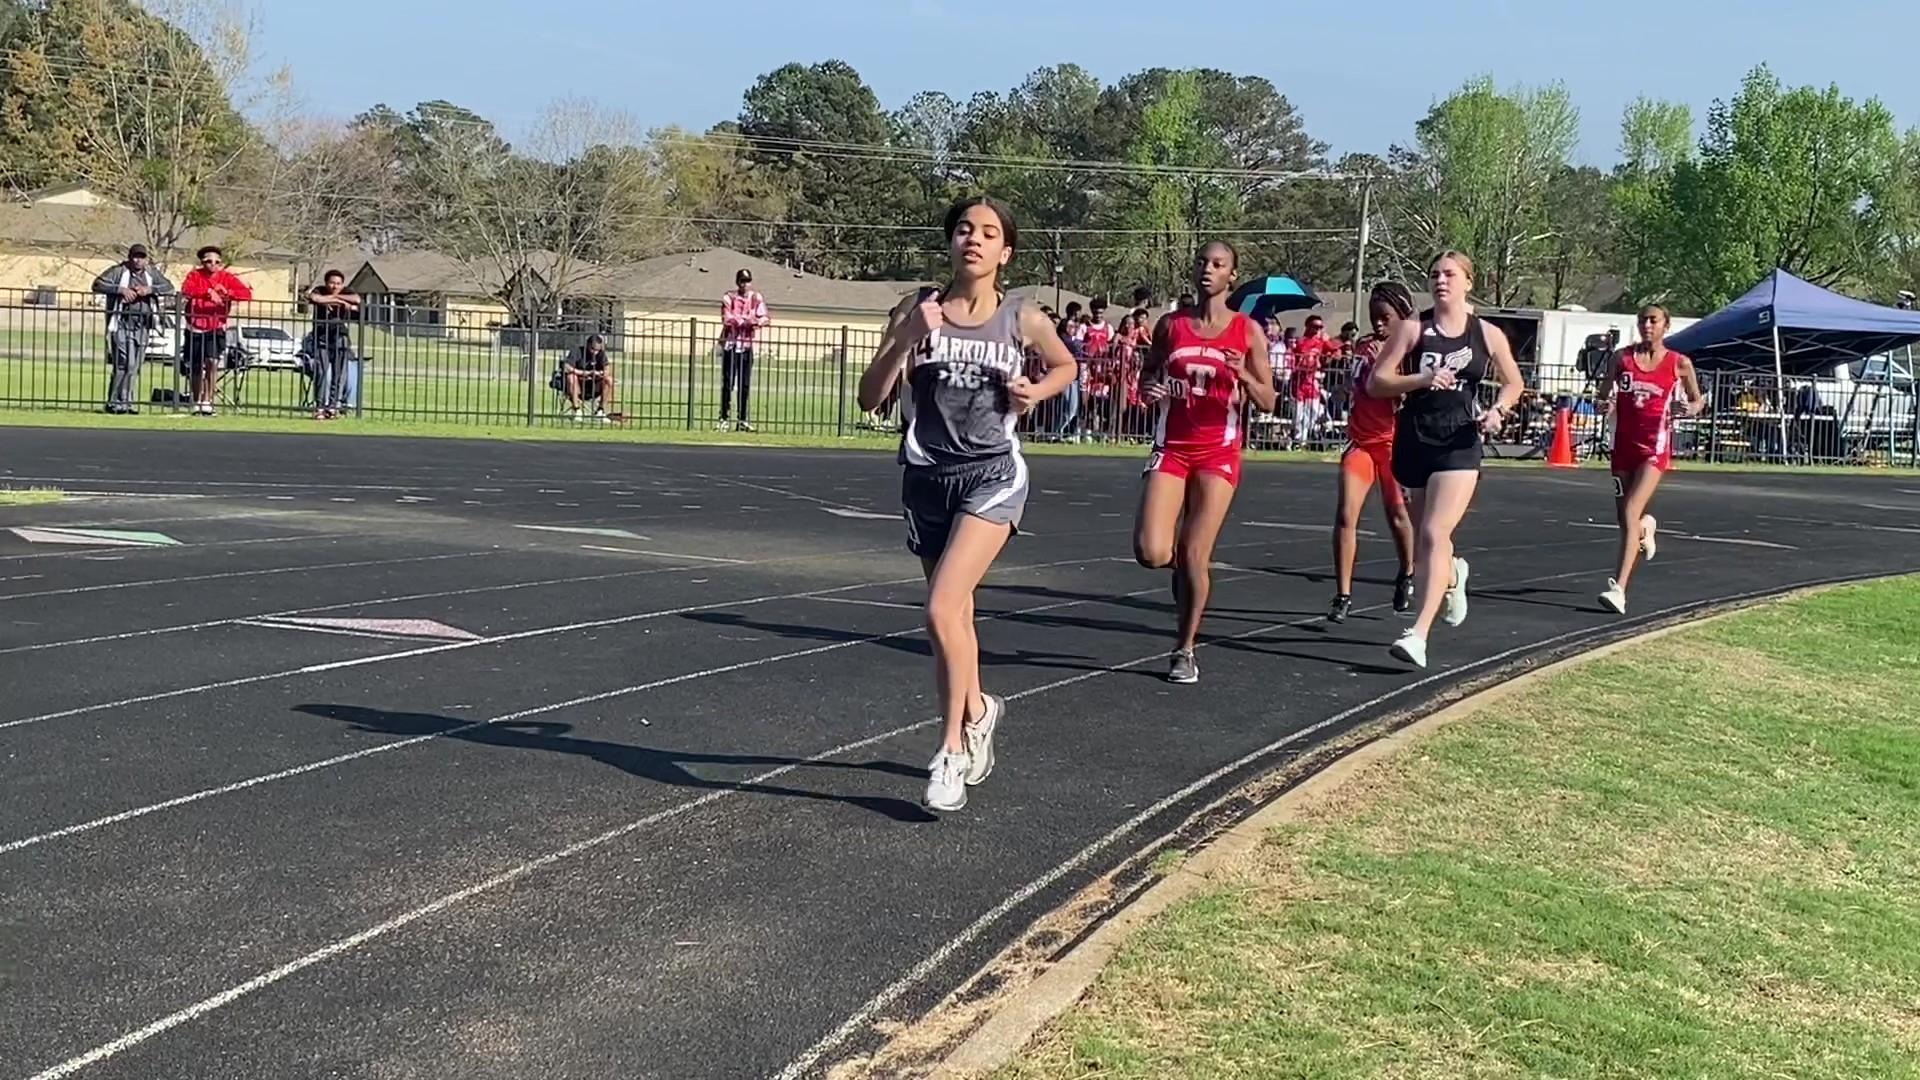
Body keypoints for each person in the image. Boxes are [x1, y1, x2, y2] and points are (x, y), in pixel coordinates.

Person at [856, 195, 1076, 813]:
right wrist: (905, 339)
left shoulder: (1021, 317)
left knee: (939, 609)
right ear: (950, 242)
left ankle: (951, 748)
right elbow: (869, 397)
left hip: (992, 476)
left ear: (1006, 252)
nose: (973, 239)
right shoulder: (918, 310)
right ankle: (979, 711)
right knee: (956, 618)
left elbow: (1066, 365)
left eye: (987, 233)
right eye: (963, 229)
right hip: (928, 477)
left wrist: (1036, 390)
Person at [1365, 251, 1523, 669]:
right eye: (1435, 274)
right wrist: (1421, 378)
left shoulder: (1485, 333)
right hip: (1415, 437)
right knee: (1426, 544)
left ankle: (1418, 634)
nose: (1441, 281)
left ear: (1468, 282)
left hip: (1460, 440)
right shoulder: (1412, 328)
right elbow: (1377, 382)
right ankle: (1453, 574)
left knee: (1436, 532)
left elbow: (1514, 382)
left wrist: (1499, 410)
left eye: (1450, 274)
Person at [1134, 241, 1277, 684]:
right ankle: (1184, 572)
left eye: (1218, 264)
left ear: (1232, 275)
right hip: (1172, 446)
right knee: (1152, 551)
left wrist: (1244, 373)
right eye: (1202, 262)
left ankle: (1184, 648)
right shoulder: (1172, 325)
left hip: (1219, 450)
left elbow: (1269, 400)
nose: (1208, 270)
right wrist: (1149, 389)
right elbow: (1148, 373)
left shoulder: (1246, 331)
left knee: (1196, 553)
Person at [1600, 304, 1705, 614]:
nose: (1647, 325)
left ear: (1665, 326)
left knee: (1631, 509)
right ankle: (1646, 528)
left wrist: (1690, 409)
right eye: (1642, 320)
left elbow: (1697, 400)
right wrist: (1605, 403)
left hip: (1654, 450)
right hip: (1623, 448)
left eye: (1653, 320)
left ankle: (1619, 589)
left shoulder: (1679, 363)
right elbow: (1604, 393)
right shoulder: (1622, 359)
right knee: (1625, 519)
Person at [1328, 283, 1418, 623]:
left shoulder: (1409, 353)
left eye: (1385, 318)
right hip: (1361, 442)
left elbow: (1405, 394)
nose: (1378, 324)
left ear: (1401, 317)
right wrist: (1342, 389)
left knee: (1397, 516)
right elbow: (1356, 384)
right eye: (1374, 317)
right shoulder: (1363, 346)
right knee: (1345, 515)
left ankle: (1407, 571)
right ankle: (1343, 594)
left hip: (1393, 444)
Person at [92, 244, 174, 415]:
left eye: (142, 257)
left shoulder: (151, 273)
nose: (138, 260)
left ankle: (127, 402)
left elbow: (169, 287)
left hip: (143, 324)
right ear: (129, 257)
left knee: (134, 365)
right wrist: (120, 290)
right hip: (121, 322)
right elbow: (97, 284)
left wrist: (150, 290)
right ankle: (115, 402)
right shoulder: (118, 271)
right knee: (124, 362)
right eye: (135, 257)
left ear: (146, 259)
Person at [178, 246, 252, 416]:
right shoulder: (194, 275)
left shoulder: (227, 277)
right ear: (202, 262)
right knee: (196, 366)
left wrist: (228, 292)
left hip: (216, 326)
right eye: (208, 261)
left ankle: (208, 401)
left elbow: (246, 294)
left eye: (217, 262)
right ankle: (196, 400)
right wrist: (208, 292)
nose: (213, 264)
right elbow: (187, 290)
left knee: (212, 362)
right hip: (195, 326)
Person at [719, 269, 768, 432]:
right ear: (737, 282)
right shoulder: (729, 297)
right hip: (731, 345)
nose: (745, 284)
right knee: (728, 383)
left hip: (747, 346)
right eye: (742, 281)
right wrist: (746, 321)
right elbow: (727, 318)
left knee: (744, 384)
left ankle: (743, 419)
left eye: (747, 281)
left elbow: (764, 317)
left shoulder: (756, 298)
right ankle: (724, 418)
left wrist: (755, 321)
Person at [307, 269, 359, 420]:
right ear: (326, 283)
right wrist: (341, 302)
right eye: (331, 283)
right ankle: (320, 406)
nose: (335, 286)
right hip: (321, 337)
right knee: (321, 373)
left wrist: (335, 298)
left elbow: (357, 299)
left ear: (342, 284)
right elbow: (315, 298)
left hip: (340, 337)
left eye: (338, 283)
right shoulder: (320, 290)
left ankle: (333, 406)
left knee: (339, 375)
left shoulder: (347, 291)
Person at [563, 334, 617, 421]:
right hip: (578, 384)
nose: (595, 352)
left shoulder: (601, 354)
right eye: (592, 349)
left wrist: (599, 373)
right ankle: (577, 410)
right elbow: (567, 366)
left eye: (597, 350)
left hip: (594, 385)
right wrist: (583, 373)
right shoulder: (577, 351)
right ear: (587, 345)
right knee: (571, 377)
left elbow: (607, 369)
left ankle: (600, 411)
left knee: (609, 380)